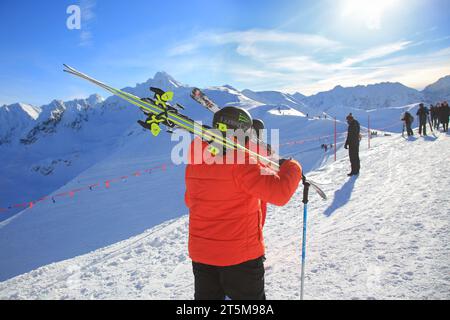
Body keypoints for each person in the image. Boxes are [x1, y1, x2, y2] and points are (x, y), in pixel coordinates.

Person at [185, 106, 302, 300]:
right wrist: (293, 167)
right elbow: (280, 195)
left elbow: (190, 200)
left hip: (202, 254)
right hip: (239, 256)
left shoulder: (196, 161)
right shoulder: (242, 162)